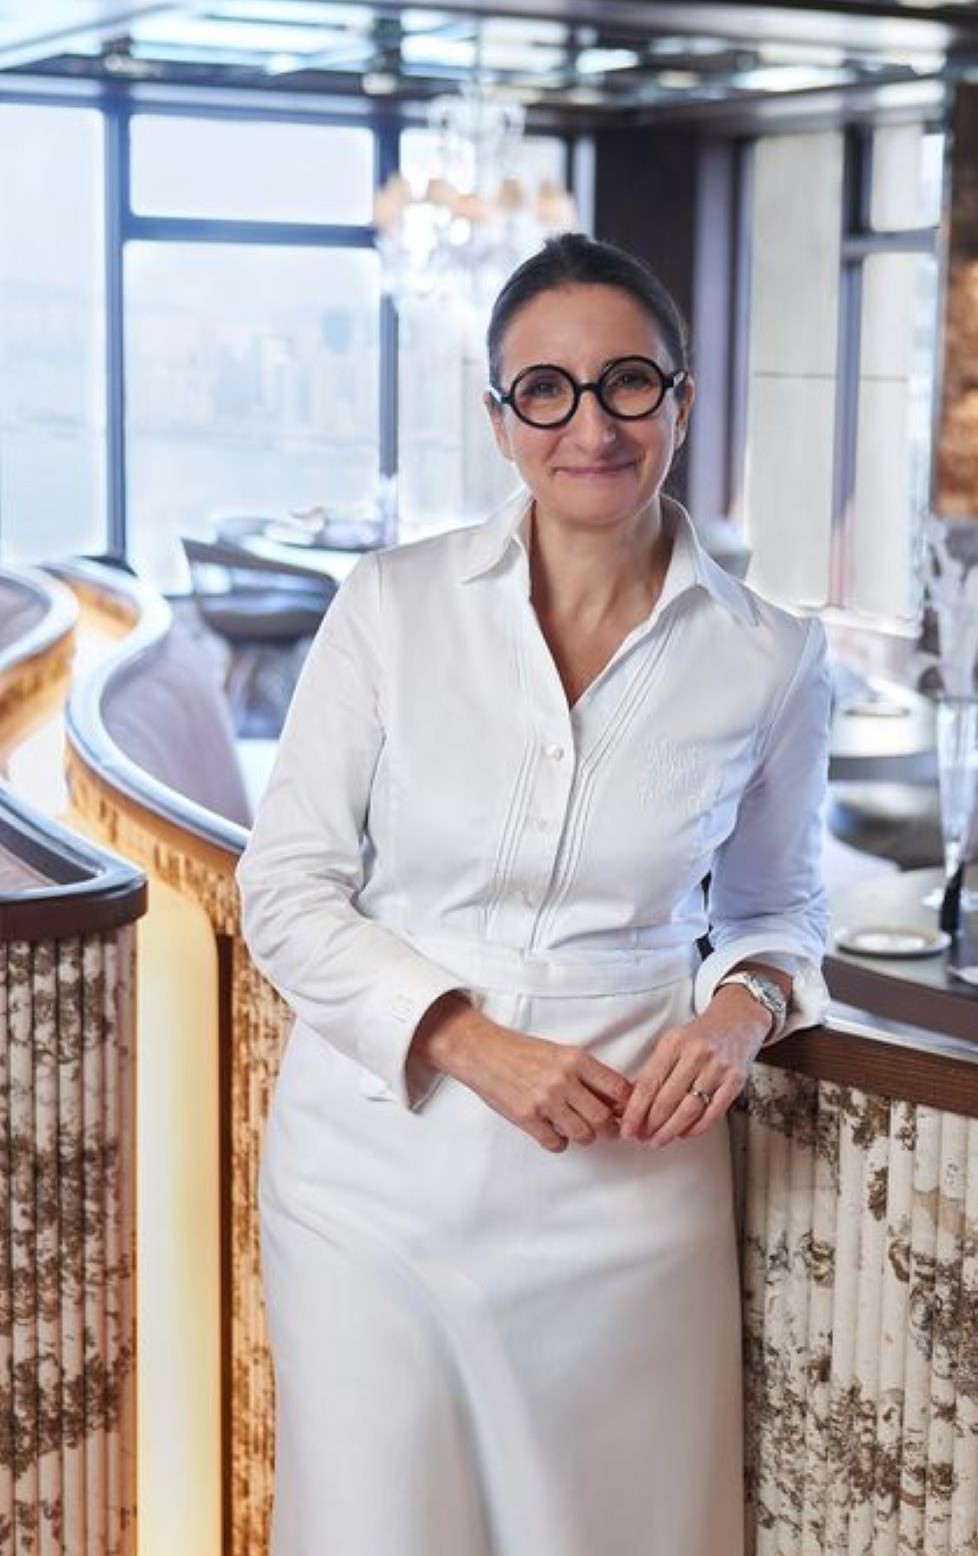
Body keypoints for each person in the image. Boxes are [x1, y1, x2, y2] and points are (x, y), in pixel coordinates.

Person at [237, 232, 831, 1556]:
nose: (592, 428)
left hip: (629, 1188)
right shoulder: (391, 606)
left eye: (628, 383)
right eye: (547, 392)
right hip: (371, 1175)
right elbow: (282, 887)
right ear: (501, 420)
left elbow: (782, 911)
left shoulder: (774, 658)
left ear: (682, 401)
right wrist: (463, 1037)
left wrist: (741, 1012)